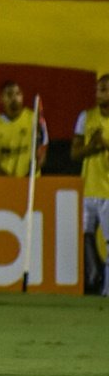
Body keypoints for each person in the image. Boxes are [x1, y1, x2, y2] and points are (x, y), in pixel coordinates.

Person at [72, 75, 109, 295]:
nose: (101, 94)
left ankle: (106, 289)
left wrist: (104, 144)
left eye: (105, 89)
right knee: (84, 237)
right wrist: (92, 147)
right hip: (89, 189)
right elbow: (75, 153)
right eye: (99, 90)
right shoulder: (86, 118)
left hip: (108, 192)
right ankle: (92, 277)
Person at [0, 80, 47, 177]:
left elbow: (42, 150)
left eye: (18, 94)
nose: (14, 98)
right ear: (1, 99)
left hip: (31, 181)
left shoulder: (35, 119)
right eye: (9, 94)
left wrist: (29, 175)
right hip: (4, 182)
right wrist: (9, 181)